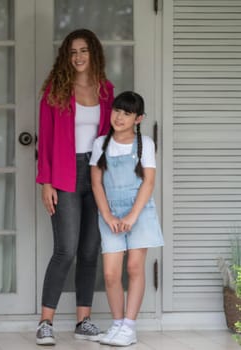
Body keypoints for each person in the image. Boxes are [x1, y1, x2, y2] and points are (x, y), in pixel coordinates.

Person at [35, 28, 114, 346]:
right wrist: (46, 182)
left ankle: (84, 320)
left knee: (90, 250)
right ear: (66, 57)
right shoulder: (56, 90)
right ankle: (45, 323)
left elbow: (113, 135)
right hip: (65, 175)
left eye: (84, 50)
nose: (78, 57)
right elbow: (45, 138)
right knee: (65, 249)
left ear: (93, 53)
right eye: (73, 52)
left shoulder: (106, 90)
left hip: (97, 176)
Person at [90, 91, 164, 347]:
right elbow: (97, 184)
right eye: (117, 111)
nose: (119, 117)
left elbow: (149, 182)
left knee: (134, 267)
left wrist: (133, 216)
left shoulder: (146, 144)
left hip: (139, 212)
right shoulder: (101, 143)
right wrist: (107, 215)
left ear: (138, 118)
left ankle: (130, 327)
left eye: (127, 113)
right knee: (111, 274)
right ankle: (118, 323)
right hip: (109, 213)